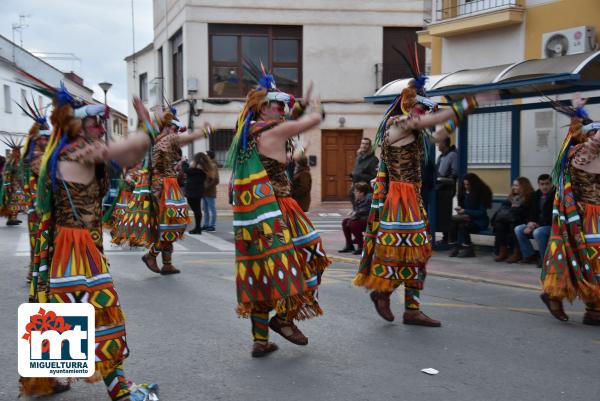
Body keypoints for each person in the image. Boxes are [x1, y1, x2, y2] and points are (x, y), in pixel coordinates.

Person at [21, 86, 157, 400]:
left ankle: (48, 380)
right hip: (76, 243)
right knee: (97, 309)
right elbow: (128, 149)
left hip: (74, 242)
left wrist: (143, 134)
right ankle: (118, 388)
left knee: (65, 309)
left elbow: (132, 154)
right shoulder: (79, 151)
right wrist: (146, 126)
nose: (100, 127)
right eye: (94, 122)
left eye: (101, 122)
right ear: (76, 125)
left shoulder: (69, 150)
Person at [353, 56, 497, 327]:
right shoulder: (398, 124)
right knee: (403, 251)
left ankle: (411, 308)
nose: (425, 114)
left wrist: (462, 113)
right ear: (411, 106)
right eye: (422, 108)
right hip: (399, 199)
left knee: (419, 252)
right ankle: (384, 292)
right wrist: (468, 102)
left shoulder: (415, 131)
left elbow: (438, 135)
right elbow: (428, 124)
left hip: (411, 198)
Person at [228, 66, 329, 357]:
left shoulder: (247, 135)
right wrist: (315, 105)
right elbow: (313, 119)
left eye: (285, 104)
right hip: (280, 211)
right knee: (312, 258)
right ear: (263, 107)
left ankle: (260, 340)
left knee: (262, 275)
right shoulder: (272, 130)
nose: (283, 109)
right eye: (279, 104)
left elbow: (279, 155)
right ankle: (284, 320)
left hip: (253, 217)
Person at [118, 105, 211, 275]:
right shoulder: (166, 140)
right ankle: (151, 255)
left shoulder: (156, 141)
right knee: (173, 224)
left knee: (168, 224)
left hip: (163, 185)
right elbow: (183, 140)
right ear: (169, 127)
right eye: (174, 128)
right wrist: (203, 132)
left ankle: (167, 263)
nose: (176, 132)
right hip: (164, 187)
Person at [540, 94, 600, 325]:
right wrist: (579, 115)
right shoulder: (581, 155)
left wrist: (580, 112)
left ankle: (594, 310)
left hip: (592, 215)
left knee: (589, 261)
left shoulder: (586, 151)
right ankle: (556, 296)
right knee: (588, 260)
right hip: (587, 217)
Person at [17, 98, 51, 282]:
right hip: (39, 208)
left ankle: (36, 272)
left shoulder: (35, 155)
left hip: (38, 208)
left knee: (39, 241)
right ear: (37, 139)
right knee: (39, 241)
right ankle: (36, 273)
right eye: (43, 138)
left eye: (48, 137)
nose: (46, 140)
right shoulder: (37, 157)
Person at [514, 174, 555, 266]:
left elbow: (553, 215)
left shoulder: (556, 195)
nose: (544, 187)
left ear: (551, 184)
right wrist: (530, 223)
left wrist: (536, 225)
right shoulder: (536, 195)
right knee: (519, 229)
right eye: (542, 184)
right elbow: (532, 212)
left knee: (538, 232)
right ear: (538, 185)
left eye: (547, 184)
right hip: (537, 224)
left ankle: (544, 258)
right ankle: (529, 255)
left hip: (551, 225)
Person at [448, 173, 493, 257]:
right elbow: (463, 208)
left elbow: (481, 213)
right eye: (464, 184)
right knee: (452, 224)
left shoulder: (481, 193)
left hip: (479, 221)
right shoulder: (464, 193)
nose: (466, 186)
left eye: (468, 184)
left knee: (463, 226)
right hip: (467, 218)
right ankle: (455, 246)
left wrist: (465, 211)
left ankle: (468, 248)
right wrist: (460, 210)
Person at [493, 177, 534, 263]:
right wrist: (513, 208)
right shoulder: (512, 197)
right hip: (509, 220)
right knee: (499, 224)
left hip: (523, 220)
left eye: (516, 185)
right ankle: (503, 251)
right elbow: (505, 207)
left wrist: (518, 208)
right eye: (513, 185)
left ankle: (517, 252)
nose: (514, 187)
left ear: (523, 186)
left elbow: (529, 212)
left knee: (514, 224)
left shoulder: (530, 197)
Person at [435, 137, 458, 244]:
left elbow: (454, 174)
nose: (437, 145)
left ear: (444, 143)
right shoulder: (441, 156)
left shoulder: (452, 155)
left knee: (445, 213)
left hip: (447, 188)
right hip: (438, 188)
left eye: (439, 142)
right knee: (440, 213)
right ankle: (445, 237)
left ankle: (449, 238)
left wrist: (444, 179)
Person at [339, 181, 372, 255]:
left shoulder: (369, 198)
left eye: (356, 191)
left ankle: (361, 246)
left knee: (353, 224)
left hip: (370, 221)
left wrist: (355, 213)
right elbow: (357, 210)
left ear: (362, 193)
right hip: (361, 218)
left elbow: (366, 210)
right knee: (345, 222)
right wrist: (353, 213)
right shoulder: (358, 198)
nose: (354, 193)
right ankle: (349, 245)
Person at [0, 136, 26, 225]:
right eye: (16, 151)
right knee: (13, 201)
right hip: (12, 185)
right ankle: (11, 219)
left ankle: (13, 217)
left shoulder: (19, 160)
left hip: (18, 184)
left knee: (18, 201)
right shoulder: (10, 161)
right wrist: (8, 185)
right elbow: (7, 173)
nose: (18, 153)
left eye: (18, 151)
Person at [184, 152, 207, 234]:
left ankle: (197, 228)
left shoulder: (193, 170)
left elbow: (185, 170)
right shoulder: (203, 170)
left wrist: (184, 161)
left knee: (196, 210)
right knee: (197, 210)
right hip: (198, 192)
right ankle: (198, 228)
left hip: (192, 193)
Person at [350, 137, 378, 203]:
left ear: (369, 146)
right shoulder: (358, 157)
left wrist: (358, 175)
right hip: (356, 187)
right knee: (353, 200)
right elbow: (356, 170)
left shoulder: (373, 159)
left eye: (366, 144)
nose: (364, 146)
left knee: (363, 209)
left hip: (366, 190)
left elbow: (374, 176)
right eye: (362, 143)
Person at [202, 149, 219, 231]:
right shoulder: (207, 165)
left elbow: (216, 179)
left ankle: (212, 225)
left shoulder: (213, 165)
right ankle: (206, 224)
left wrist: (207, 186)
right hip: (204, 191)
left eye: (206, 155)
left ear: (209, 156)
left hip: (210, 191)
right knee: (205, 209)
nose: (205, 157)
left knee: (212, 209)